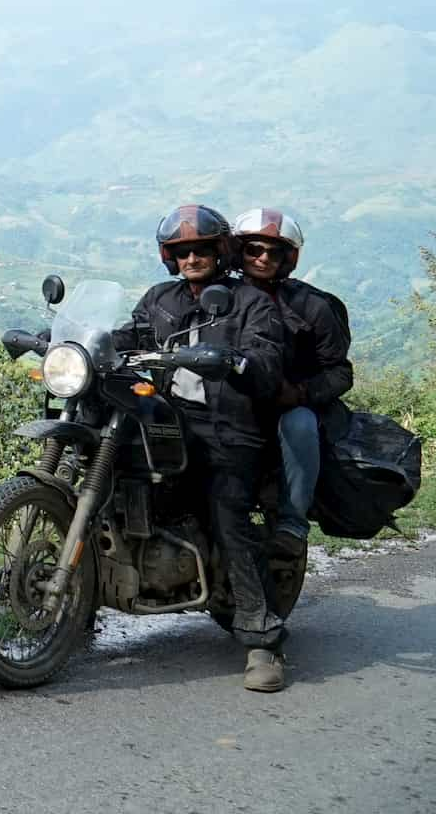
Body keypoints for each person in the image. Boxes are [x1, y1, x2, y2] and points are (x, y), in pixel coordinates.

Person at [121, 204, 290, 692]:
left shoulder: (250, 302)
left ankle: (263, 641)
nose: (192, 257)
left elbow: (266, 362)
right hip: (170, 423)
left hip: (228, 429)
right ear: (169, 257)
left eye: (201, 249)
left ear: (221, 251)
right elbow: (130, 334)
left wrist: (233, 361)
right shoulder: (160, 298)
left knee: (228, 516)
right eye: (182, 251)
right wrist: (75, 341)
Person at [231, 207, 353, 561]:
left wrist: (299, 393)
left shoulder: (313, 306)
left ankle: (293, 524)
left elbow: (340, 372)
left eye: (274, 251)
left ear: (290, 257)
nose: (263, 257)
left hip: (286, 407)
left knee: (299, 424)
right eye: (254, 249)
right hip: (229, 404)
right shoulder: (218, 296)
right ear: (239, 250)